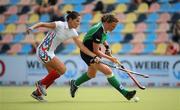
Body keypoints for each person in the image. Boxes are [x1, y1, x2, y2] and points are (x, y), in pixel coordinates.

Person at [27, 11, 100, 102]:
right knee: (62, 69)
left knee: (52, 76)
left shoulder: (73, 32)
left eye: (79, 21)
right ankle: (41, 83)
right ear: (69, 20)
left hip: (50, 52)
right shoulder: (59, 25)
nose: (78, 23)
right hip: (43, 51)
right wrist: (32, 27)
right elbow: (42, 24)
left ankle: (37, 93)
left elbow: (82, 47)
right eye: (77, 21)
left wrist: (94, 56)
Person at [70, 14, 136, 101]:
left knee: (91, 75)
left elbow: (103, 39)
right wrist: (111, 58)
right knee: (108, 71)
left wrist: (107, 48)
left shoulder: (103, 28)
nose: (114, 28)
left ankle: (74, 83)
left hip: (92, 51)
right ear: (106, 23)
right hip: (88, 53)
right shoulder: (98, 32)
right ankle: (125, 93)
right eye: (112, 26)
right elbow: (96, 51)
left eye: (115, 26)